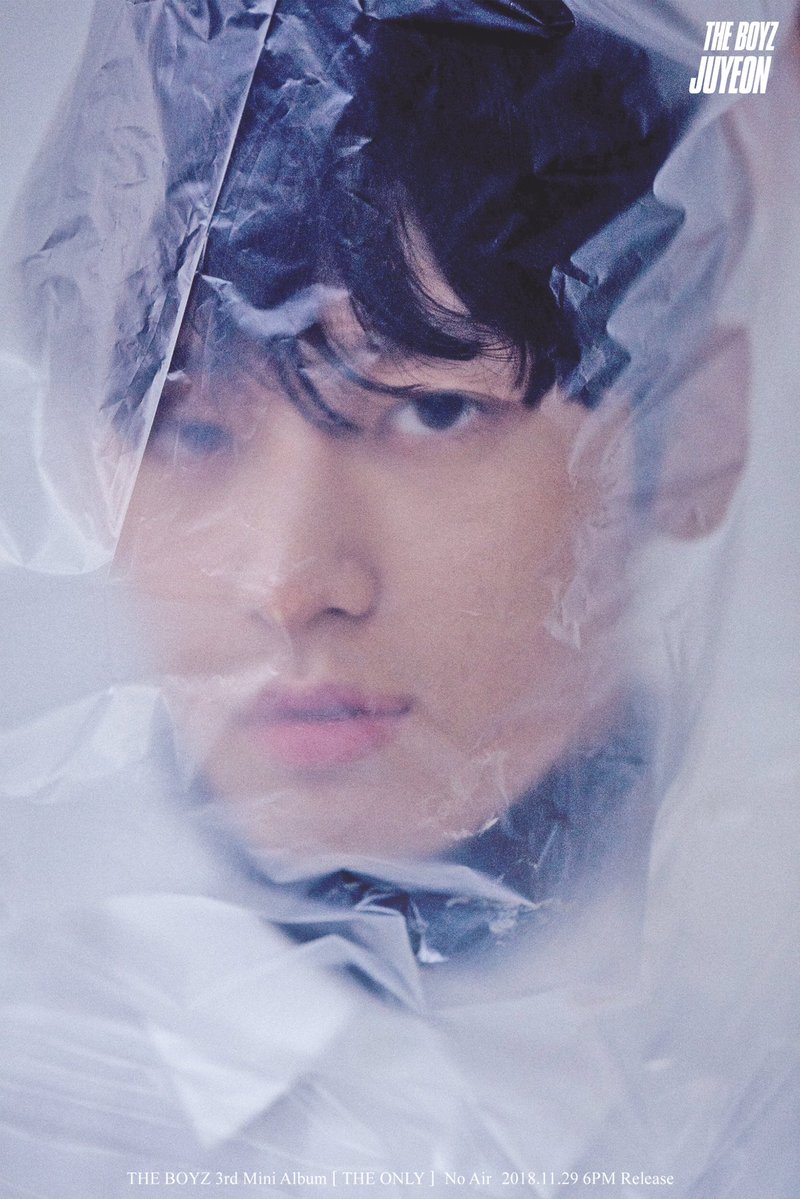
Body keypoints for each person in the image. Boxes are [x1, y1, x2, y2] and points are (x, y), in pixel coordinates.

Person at [0, 0, 796, 1195]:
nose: (288, 583)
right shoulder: (33, 1085)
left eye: (430, 409)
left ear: (696, 425)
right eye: (188, 423)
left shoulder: (757, 1084)